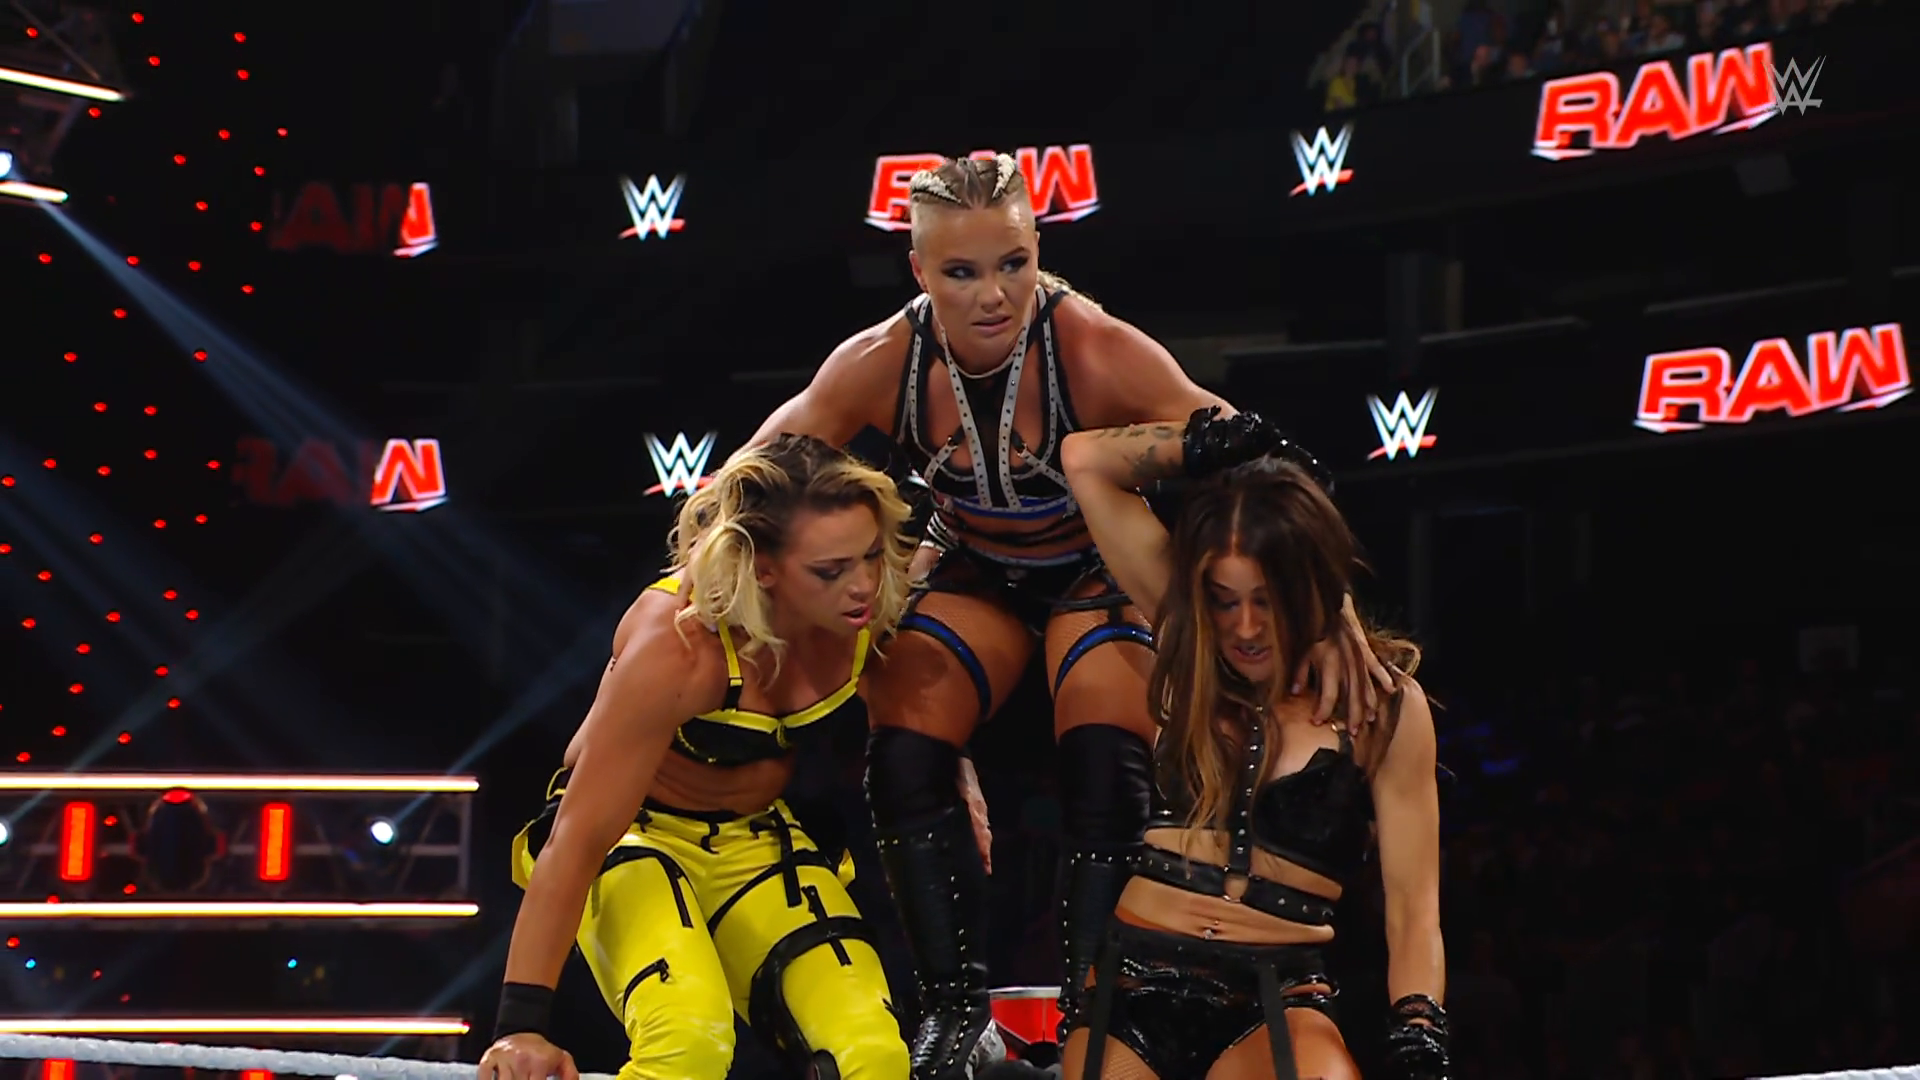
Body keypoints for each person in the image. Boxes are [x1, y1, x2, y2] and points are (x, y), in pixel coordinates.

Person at [749, 154, 1383, 1077]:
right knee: (905, 746)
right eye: (961, 272)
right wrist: (684, 600)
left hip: (1095, 571)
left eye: (1012, 263)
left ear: (1038, 250)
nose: (992, 295)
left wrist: (1330, 609)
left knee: (1105, 759)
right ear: (919, 271)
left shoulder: (1092, 345)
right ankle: (953, 1013)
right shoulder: (882, 359)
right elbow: (753, 481)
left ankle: (1095, 1015)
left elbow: (1262, 462)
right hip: (978, 572)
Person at [478, 435, 917, 1080]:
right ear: (763, 569)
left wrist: (955, 769)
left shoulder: (877, 608)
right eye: (830, 571)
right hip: (634, 834)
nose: (863, 585)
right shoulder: (681, 642)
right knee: (688, 1043)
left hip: (756, 837)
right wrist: (520, 1026)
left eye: (871, 556)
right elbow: (578, 835)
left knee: (874, 1054)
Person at [1055, 409, 1449, 1080]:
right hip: (1136, 979)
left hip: (1278, 996)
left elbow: (1414, 909)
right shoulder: (1189, 640)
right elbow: (1085, 459)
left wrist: (1419, 1028)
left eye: (1266, 600)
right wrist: (1243, 444)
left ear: (1311, 586)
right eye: (1223, 599)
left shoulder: (1383, 706)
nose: (1243, 628)